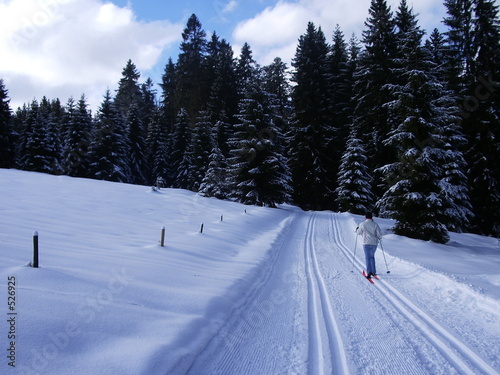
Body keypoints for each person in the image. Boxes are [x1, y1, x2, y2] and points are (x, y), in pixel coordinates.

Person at [356, 212, 382, 278]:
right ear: (372, 217)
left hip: (366, 243)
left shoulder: (362, 224)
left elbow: (359, 232)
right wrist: (379, 238)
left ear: (365, 217)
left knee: (367, 258)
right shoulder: (375, 224)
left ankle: (369, 272)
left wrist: (357, 229)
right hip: (374, 243)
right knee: (372, 257)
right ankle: (373, 272)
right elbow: (379, 234)